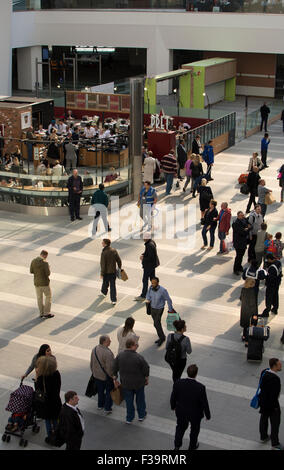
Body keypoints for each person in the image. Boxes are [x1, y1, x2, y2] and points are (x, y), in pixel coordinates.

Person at [171, 364, 211, 451]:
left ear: (187, 373)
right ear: (196, 374)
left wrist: (173, 406)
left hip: (181, 411)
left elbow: (173, 396)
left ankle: (177, 446)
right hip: (195, 414)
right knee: (194, 430)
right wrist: (208, 415)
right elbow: (205, 402)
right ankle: (192, 446)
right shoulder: (200, 387)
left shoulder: (178, 383)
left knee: (180, 428)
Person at [113, 338, 149, 424]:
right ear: (132, 346)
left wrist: (115, 378)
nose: (137, 346)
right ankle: (141, 415)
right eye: (136, 345)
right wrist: (146, 379)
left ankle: (129, 418)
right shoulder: (139, 357)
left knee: (129, 401)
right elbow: (146, 369)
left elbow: (114, 367)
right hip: (139, 383)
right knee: (140, 400)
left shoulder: (120, 356)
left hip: (126, 383)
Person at [34, 356, 62, 444]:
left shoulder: (41, 378)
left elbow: (38, 391)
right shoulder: (57, 374)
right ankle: (57, 435)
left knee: (48, 421)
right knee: (56, 419)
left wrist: (37, 377)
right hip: (56, 402)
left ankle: (50, 437)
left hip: (46, 404)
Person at [258, 358, 283, 450]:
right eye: (279, 365)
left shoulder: (264, 372)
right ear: (274, 366)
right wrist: (275, 407)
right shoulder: (275, 379)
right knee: (275, 424)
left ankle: (263, 436)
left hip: (263, 402)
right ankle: (275, 444)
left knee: (263, 419)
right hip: (272, 405)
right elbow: (274, 396)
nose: (281, 366)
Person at [146, 277, 174, 347]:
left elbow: (169, 300)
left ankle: (162, 338)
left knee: (156, 323)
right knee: (156, 324)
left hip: (159, 309)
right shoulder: (150, 288)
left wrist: (170, 309)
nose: (152, 284)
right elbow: (148, 294)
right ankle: (162, 337)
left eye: (154, 283)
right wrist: (148, 299)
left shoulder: (163, 290)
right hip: (152, 308)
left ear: (158, 283)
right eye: (152, 283)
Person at [90, 335, 114, 414]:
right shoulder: (108, 353)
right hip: (106, 377)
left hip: (96, 375)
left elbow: (91, 363)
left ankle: (100, 405)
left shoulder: (95, 349)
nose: (110, 341)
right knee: (109, 392)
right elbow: (109, 367)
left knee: (100, 391)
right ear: (104, 342)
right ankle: (107, 408)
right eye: (109, 340)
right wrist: (113, 376)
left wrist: (94, 372)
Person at [134, 232, 160, 301]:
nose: (143, 239)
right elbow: (149, 253)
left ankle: (143, 296)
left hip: (149, 266)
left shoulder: (149, 245)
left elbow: (150, 257)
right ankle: (155, 294)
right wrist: (143, 254)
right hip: (152, 265)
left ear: (146, 238)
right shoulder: (151, 242)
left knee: (145, 280)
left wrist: (143, 258)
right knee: (152, 279)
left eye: (144, 237)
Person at [30, 250, 54, 319]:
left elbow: (31, 271)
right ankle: (46, 313)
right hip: (44, 283)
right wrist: (48, 267)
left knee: (39, 298)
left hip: (36, 283)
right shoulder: (45, 263)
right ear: (45, 255)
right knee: (48, 296)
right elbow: (48, 274)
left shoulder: (33, 261)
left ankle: (41, 313)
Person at [100, 238, 122, 305]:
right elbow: (119, 260)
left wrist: (102, 273)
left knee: (105, 283)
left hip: (106, 272)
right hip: (113, 272)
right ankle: (113, 300)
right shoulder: (114, 250)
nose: (102, 243)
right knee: (113, 286)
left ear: (105, 244)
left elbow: (103, 264)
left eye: (103, 242)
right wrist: (119, 268)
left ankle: (104, 292)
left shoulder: (104, 252)